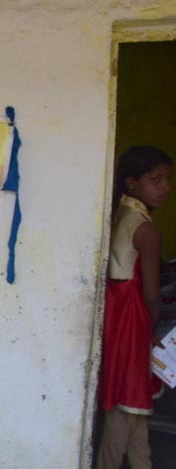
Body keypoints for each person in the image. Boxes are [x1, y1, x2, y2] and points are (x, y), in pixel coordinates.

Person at [97, 145, 172, 469]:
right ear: (132, 182)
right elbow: (153, 295)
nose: (165, 188)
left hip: (115, 312)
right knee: (126, 404)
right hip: (132, 317)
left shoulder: (119, 214)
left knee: (133, 408)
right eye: (156, 180)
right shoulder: (147, 230)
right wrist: (153, 329)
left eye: (167, 180)